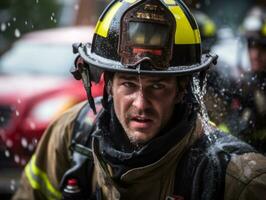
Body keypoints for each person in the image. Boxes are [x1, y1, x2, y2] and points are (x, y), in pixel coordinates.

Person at [12, 0, 266, 200]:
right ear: (109, 85)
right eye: (128, 84)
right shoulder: (71, 135)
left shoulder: (235, 177)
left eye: (157, 86)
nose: (141, 103)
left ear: (181, 89)